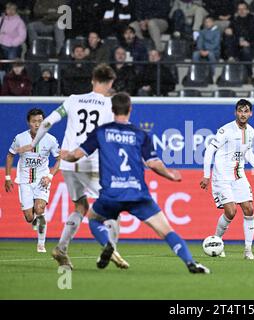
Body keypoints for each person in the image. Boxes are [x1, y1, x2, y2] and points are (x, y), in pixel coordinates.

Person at [61, 92, 210, 274]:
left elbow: (76, 155)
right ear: (130, 109)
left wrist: (65, 156)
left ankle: (108, 243)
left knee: (93, 218)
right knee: (166, 230)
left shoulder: (101, 132)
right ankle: (190, 262)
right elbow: (153, 163)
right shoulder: (140, 134)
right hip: (137, 194)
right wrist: (170, 175)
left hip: (111, 194)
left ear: (112, 109)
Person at [16, 64, 124, 270]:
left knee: (81, 206)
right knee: (113, 207)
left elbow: (47, 123)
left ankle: (61, 249)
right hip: (91, 161)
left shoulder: (73, 99)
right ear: (110, 83)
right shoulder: (110, 105)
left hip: (67, 162)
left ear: (92, 80)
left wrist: (34, 143)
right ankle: (111, 249)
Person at [200, 99, 254, 260]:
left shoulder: (251, 131)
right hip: (222, 177)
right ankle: (217, 241)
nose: (243, 114)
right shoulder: (226, 130)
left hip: (239, 176)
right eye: (240, 111)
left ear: (251, 113)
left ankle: (248, 250)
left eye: (246, 111)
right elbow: (209, 151)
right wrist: (206, 175)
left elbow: (247, 152)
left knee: (249, 209)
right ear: (235, 112)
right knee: (231, 211)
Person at [5, 108, 61, 253]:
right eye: (34, 121)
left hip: (42, 180)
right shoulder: (20, 138)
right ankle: (34, 220)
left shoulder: (51, 140)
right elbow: (10, 155)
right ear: (28, 122)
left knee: (40, 209)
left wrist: (50, 176)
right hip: (24, 181)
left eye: (40, 121)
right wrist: (7, 177)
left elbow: (59, 160)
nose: (37, 124)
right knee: (29, 217)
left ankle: (41, 244)